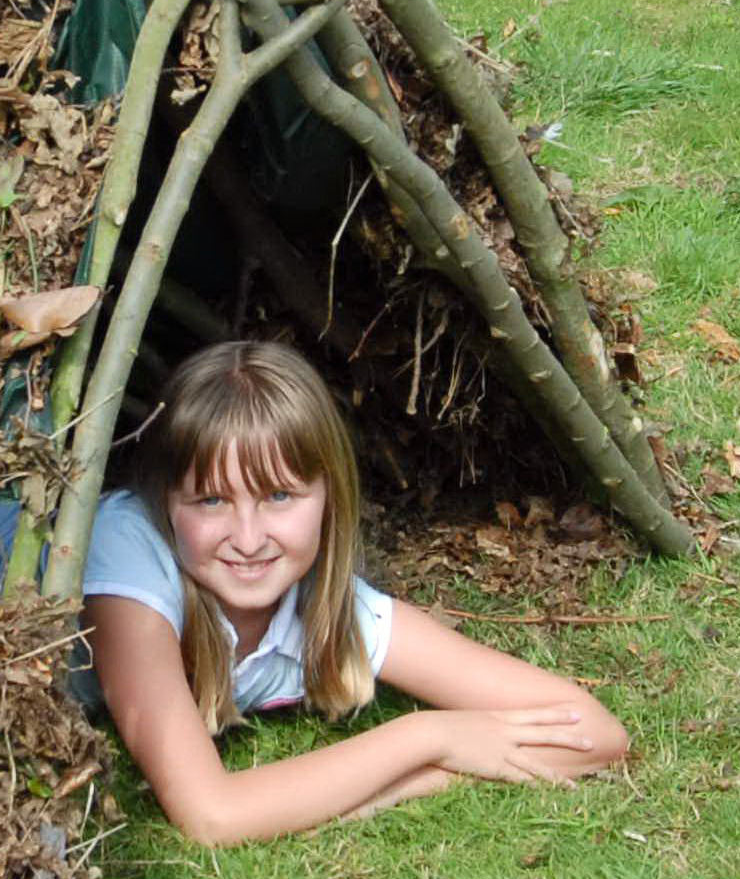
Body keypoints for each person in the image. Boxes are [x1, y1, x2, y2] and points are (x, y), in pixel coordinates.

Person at [79, 340, 628, 848]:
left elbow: (598, 735)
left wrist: (400, 785)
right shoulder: (126, 549)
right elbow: (211, 814)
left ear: (329, 498)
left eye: (278, 496)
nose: (247, 539)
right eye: (210, 502)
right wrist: (430, 737)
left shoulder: (331, 610)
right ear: (164, 502)